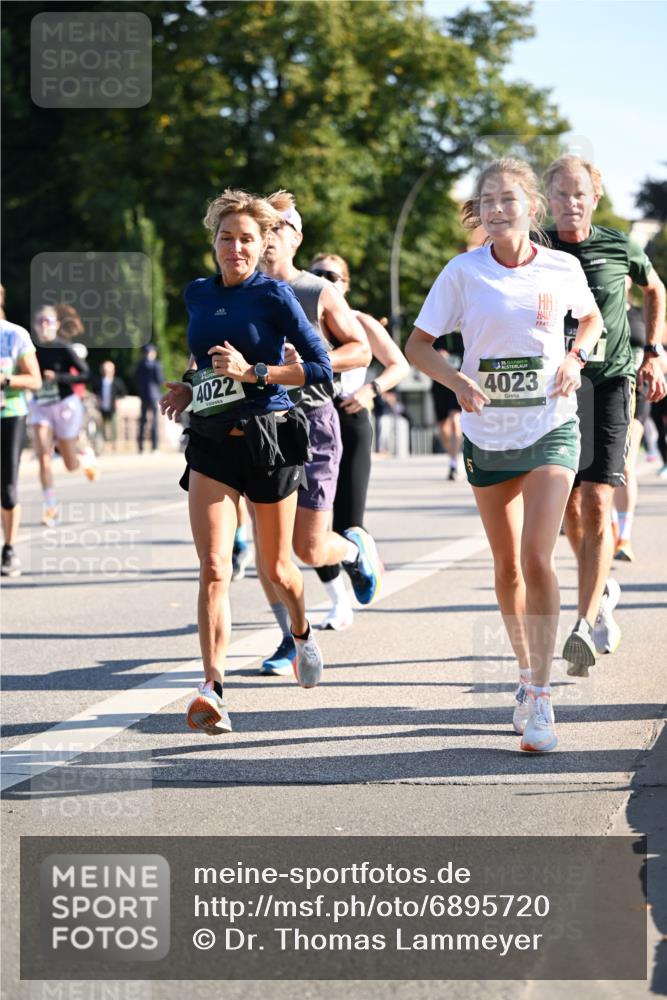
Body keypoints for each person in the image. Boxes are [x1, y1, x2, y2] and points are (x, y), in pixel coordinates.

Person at [406, 157, 603, 753]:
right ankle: (523, 673)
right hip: (487, 434)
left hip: (550, 426)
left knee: (536, 556)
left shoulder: (562, 267)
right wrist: (458, 383)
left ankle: (542, 697)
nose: (495, 208)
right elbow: (418, 346)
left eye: (507, 199)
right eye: (486, 200)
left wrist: (574, 358)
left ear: (530, 207)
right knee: (507, 568)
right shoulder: (462, 273)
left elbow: (589, 318)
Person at [159, 188, 333, 735]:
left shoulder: (276, 296)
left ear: (263, 245)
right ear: (214, 241)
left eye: (247, 239)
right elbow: (202, 361)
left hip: (269, 438)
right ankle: (213, 688)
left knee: (276, 567)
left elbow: (322, 369)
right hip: (211, 441)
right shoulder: (196, 294)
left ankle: (301, 633)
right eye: (226, 238)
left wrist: (253, 373)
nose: (236, 248)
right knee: (214, 567)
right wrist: (190, 389)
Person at [544, 155, 667, 671]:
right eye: (561, 195)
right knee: (568, 509)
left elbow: (655, 287)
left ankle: (585, 619)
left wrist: (655, 350)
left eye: (579, 194)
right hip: (554, 388)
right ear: (546, 201)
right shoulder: (536, 249)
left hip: (611, 382)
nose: (570, 203)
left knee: (595, 500)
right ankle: (600, 592)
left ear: (594, 198)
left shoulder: (620, 246)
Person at [256, 193, 383, 675]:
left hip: (312, 424)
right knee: (270, 549)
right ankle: (289, 636)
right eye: (262, 228)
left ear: (297, 236)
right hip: (260, 427)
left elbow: (361, 350)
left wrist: (310, 365)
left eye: (279, 228)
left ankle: (353, 548)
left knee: (309, 548)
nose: (269, 238)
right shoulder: (241, 290)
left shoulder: (317, 291)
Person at [309, 252, 409, 629]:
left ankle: (359, 554)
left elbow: (399, 363)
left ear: (345, 284)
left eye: (332, 275)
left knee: (347, 521)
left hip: (350, 419)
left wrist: (371, 390)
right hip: (310, 423)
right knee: (313, 526)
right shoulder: (300, 320)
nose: (324, 279)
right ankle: (338, 602)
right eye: (316, 273)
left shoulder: (360, 323)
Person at [29, 305, 99, 527]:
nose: (44, 326)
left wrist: (58, 377)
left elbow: (86, 374)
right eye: (40, 322)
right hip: (41, 405)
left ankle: (84, 457)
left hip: (65, 405)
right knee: (43, 455)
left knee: (69, 464)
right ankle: (50, 507)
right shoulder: (31, 349)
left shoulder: (63, 348)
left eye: (48, 321)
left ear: (57, 325)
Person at [1, 315, 42, 575]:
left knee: (6, 489)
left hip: (9, 414)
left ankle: (9, 548)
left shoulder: (14, 335)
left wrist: (5, 380)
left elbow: (35, 380)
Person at [430, 332, 464, 479]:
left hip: (458, 382)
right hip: (439, 383)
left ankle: (455, 463)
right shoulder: (434, 332)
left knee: (455, 419)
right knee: (443, 428)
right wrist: (437, 356)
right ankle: (453, 456)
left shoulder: (464, 333)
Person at [135, 344, 164, 452]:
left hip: (144, 395)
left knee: (143, 421)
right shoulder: (156, 365)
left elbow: (136, 379)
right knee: (153, 422)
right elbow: (160, 380)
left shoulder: (140, 365)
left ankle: (141, 447)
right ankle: (154, 447)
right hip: (154, 395)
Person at [93, 360, 127, 449]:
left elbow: (123, 393)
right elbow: (95, 393)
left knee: (114, 426)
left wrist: (118, 400)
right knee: (101, 426)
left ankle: (114, 443)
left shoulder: (117, 381)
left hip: (113, 407)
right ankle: (104, 443)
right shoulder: (98, 382)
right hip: (101, 407)